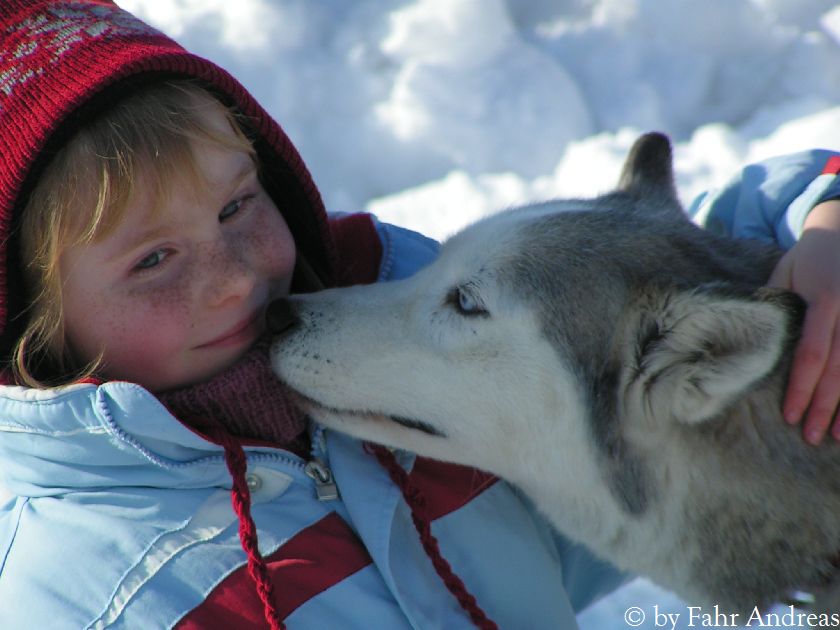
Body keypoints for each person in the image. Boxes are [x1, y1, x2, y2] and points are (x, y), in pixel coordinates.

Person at [0, 2, 838, 629]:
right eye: (152, 259)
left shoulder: (408, 355)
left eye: (235, 208)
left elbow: (698, 262)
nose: (231, 281)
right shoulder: (90, 598)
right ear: (36, 329)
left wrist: (828, 219)